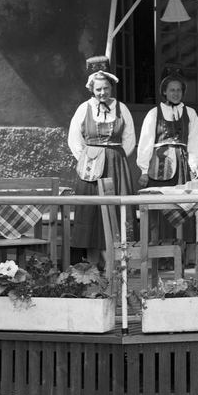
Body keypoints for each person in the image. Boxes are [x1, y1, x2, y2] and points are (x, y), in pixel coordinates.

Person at [68, 56, 136, 266]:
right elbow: (74, 139)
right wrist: (87, 159)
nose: (102, 92)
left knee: (116, 209)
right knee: (91, 211)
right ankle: (91, 266)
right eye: (98, 89)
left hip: (116, 165)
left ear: (111, 88)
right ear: (92, 89)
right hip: (90, 168)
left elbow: (129, 139)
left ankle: (117, 263)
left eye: (106, 88)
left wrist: (115, 157)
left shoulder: (122, 109)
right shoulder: (84, 108)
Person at [138, 69, 198, 188]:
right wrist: (144, 171)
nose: (176, 93)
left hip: (182, 164)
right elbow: (145, 143)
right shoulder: (154, 113)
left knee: (182, 195)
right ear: (164, 92)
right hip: (159, 165)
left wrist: (194, 166)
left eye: (179, 90)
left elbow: (195, 141)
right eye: (172, 90)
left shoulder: (190, 113)